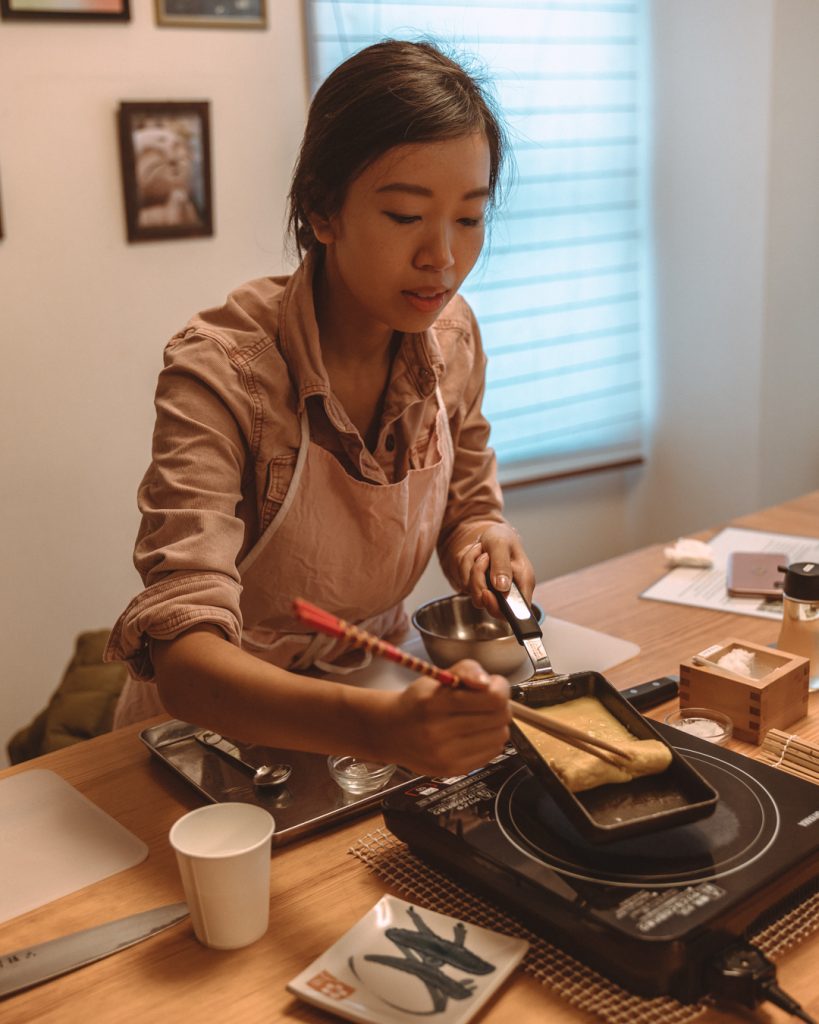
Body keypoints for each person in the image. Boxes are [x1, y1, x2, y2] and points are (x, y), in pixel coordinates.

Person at [105, 39, 536, 778]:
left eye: (468, 218)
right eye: (405, 216)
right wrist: (376, 730)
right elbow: (182, 653)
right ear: (321, 209)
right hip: (211, 737)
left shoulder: (452, 337)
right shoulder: (224, 370)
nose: (442, 256)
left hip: (370, 706)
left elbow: (467, 501)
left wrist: (484, 537)